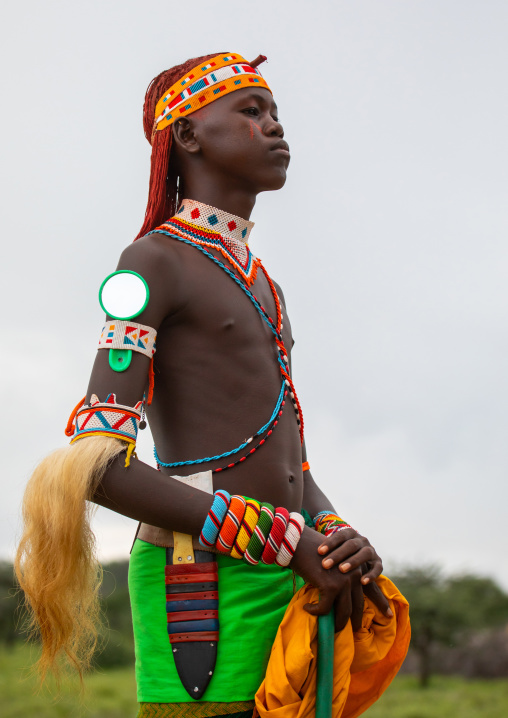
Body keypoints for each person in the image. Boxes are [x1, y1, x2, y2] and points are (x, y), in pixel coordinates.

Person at [15, 52, 409, 718]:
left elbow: (290, 460)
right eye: (251, 112)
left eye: (277, 113)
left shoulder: (267, 287)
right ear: (189, 135)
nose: (276, 128)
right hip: (200, 583)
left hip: (289, 571)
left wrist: (334, 531)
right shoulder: (151, 263)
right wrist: (290, 541)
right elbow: (100, 467)